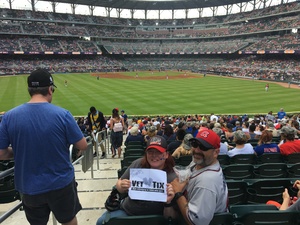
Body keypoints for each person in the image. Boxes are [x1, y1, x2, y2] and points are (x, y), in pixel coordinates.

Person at [0, 69, 88, 225]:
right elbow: (83, 145)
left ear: (29, 90)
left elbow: (2, 153)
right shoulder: (63, 114)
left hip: (29, 186)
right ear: (49, 89)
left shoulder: (8, 117)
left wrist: (22, 150)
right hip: (61, 183)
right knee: (69, 221)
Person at [96, 136, 177, 225]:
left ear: (166, 155)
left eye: (159, 152)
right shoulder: (138, 164)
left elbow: (172, 218)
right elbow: (119, 183)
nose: (154, 155)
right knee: (101, 222)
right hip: (127, 212)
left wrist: (168, 203)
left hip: (154, 219)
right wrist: (122, 186)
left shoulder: (173, 177)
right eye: (150, 152)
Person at [170, 130, 228, 225]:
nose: (197, 150)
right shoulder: (201, 162)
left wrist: (178, 194)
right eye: (194, 144)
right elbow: (188, 174)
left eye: (203, 147)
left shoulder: (206, 182)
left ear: (215, 153)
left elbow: (196, 222)